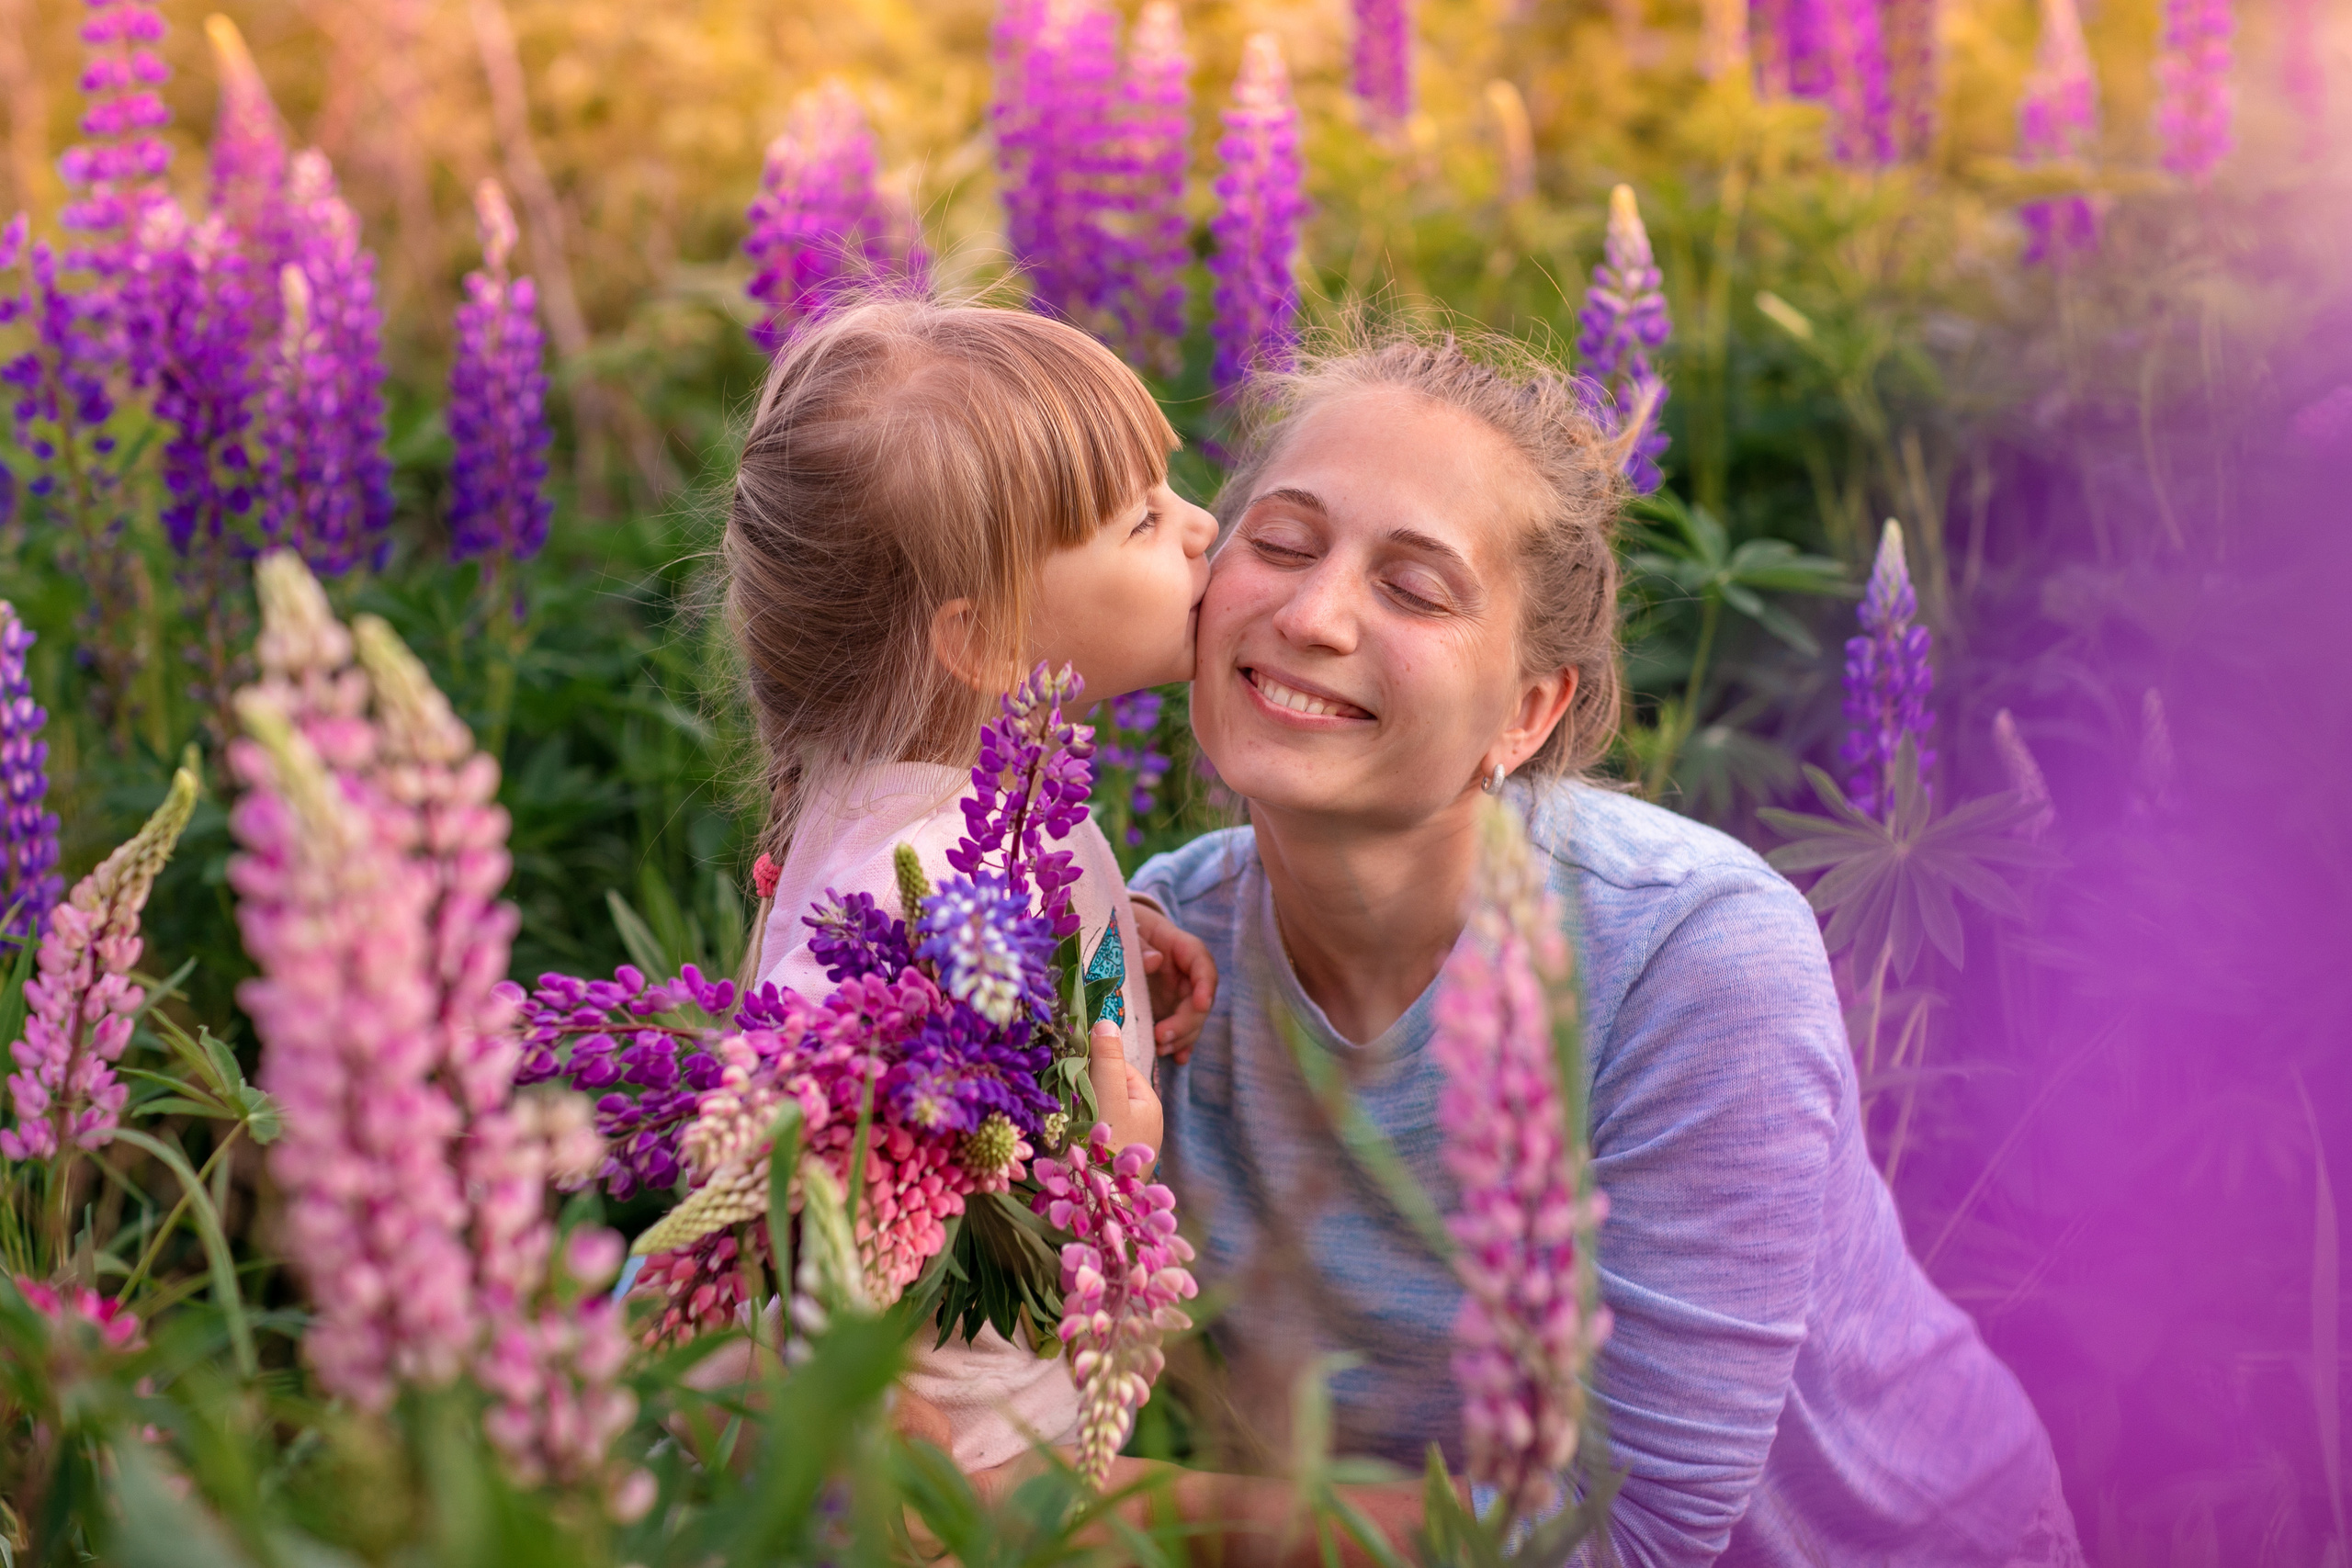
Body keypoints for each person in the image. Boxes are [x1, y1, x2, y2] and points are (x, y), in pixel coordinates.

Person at [1085, 327, 2081, 1565]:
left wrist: (1088, 1508)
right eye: (1281, 542)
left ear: (1528, 709)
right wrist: (1045, 920)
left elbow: (1636, 1538)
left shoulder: (1689, 954)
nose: (1313, 611)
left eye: (1415, 586)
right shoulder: (1150, 937)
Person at [718, 293, 1220, 1471]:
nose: (1203, 530)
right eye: (1143, 521)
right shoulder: (918, 884)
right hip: (971, 1455)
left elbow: (1014, 948)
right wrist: (1111, 1147)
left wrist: (1114, 939)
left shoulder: (930, 802)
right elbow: (811, 1171)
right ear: (989, 642)